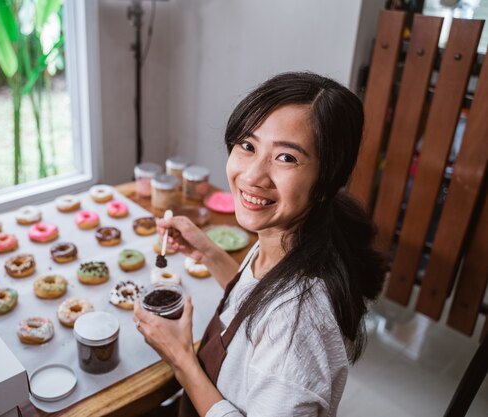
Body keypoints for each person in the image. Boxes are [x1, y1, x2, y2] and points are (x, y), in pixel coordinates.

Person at [133, 72, 386, 417]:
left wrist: (180, 359)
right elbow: (258, 298)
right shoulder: (285, 239)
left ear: (326, 181)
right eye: (248, 146)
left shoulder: (298, 323)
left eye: (286, 158)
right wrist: (207, 252)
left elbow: (276, 316)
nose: (252, 176)